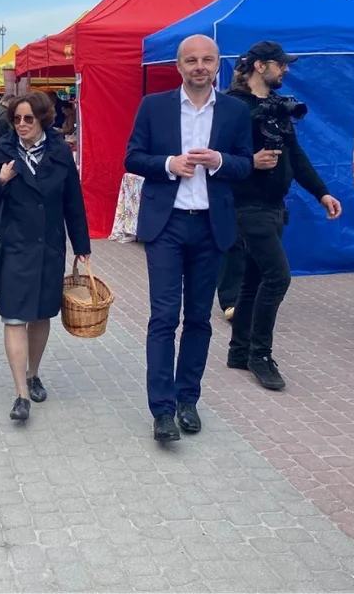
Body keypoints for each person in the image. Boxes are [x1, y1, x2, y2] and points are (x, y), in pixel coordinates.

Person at [124, 34, 253, 442]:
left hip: (210, 227)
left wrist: (219, 161)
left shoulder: (235, 111)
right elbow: (132, 156)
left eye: (207, 60)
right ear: (178, 66)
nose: (200, 66)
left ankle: (187, 400)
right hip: (166, 225)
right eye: (191, 60)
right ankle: (162, 410)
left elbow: (246, 165)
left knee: (198, 319)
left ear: (218, 65)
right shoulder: (154, 106)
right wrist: (168, 164)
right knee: (164, 317)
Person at [224, 41, 342, 391]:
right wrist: (250, 162)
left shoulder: (278, 106)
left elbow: (296, 156)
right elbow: (218, 157)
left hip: (274, 207)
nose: (286, 69)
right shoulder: (232, 107)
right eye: (281, 64)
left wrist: (322, 193)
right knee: (278, 278)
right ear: (260, 66)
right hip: (247, 207)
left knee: (254, 280)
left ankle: (239, 351)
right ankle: (260, 355)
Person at [0, 91, 90, 421]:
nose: (21, 124)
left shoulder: (60, 151)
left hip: (48, 246)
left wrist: (81, 247)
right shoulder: (2, 150)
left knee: (41, 315)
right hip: (12, 246)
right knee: (14, 317)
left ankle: (33, 373)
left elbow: (73, 202)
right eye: (16, 119)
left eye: (28, 118)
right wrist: (0, 180)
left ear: (43, 119)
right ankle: (21, 394)